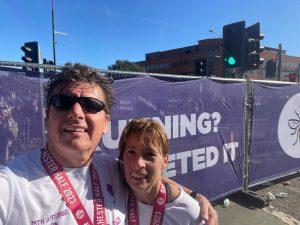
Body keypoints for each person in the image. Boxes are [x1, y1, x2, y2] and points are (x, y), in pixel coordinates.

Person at [0, 63, 217, 225]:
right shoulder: (13, 184)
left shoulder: (111, 167)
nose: (76, 113)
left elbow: (151, 176)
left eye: (90, 105)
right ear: (47, 115)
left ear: (106, 123)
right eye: (63, 102)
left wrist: (195, 196)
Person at [119, 118, 204, 225]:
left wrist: (196, 196)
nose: (139, 163)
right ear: (122, 157)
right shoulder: (114, 194)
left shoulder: (190, 211)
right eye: (131, 152)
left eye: (149, 154)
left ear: (165, 161)